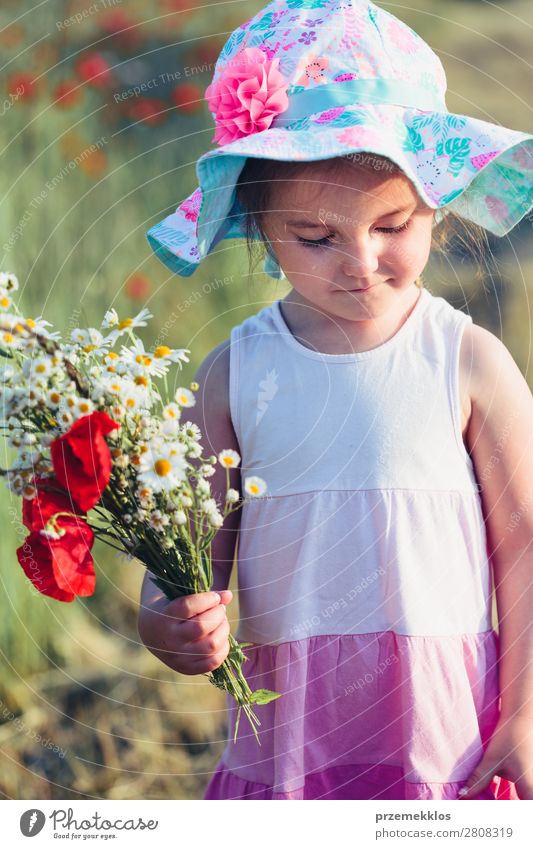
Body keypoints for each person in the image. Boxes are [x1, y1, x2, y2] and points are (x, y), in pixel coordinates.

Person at [138, 0, 533, 800]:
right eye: (315, 237)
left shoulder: (467, 361)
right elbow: (185, 558)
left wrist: (524, 715)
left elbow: (524, 549)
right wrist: (168, 619)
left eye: (393, 224)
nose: (359, 262)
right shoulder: (233, 374)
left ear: (436, 201)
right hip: (289, 737)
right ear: (257, 223)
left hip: (448, 737)